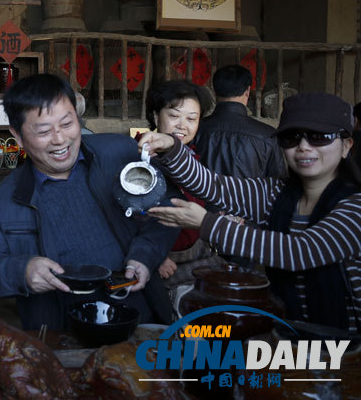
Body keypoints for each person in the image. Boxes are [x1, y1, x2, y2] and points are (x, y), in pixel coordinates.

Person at [0, 74, 179, 330]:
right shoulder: (4, 200)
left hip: (137, 312)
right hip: (58, 331)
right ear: (18, 136)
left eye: (67, 124)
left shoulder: (119, 153)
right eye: (44, 131)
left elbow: (167, 208)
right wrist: (22, 271)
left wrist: (145, 256)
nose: (59, 139)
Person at [141, 92, 361, 331]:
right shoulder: (276, 193)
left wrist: (208, 224)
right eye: (291, 137)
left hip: (348, 346)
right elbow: (213, 186)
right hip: (287, 334)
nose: (304, 147)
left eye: (319, 137)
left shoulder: (355, 205)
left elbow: (301, 252)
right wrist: (172, 147)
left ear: (346, 145)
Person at [145, 80, 218, 289]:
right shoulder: (139, 158)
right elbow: (119, 217)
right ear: (156, 116)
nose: (182, 125)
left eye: (191, 118)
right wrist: (151, 255)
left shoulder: (192, 155)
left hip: (196, 252)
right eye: (174, 116)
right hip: (163, 261)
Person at [195, 65, 287, 181]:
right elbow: (278, 183)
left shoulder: (195, 129)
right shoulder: (268, 134)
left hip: (199, 199)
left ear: (214, 90)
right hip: (251, 199)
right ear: (247, 91)